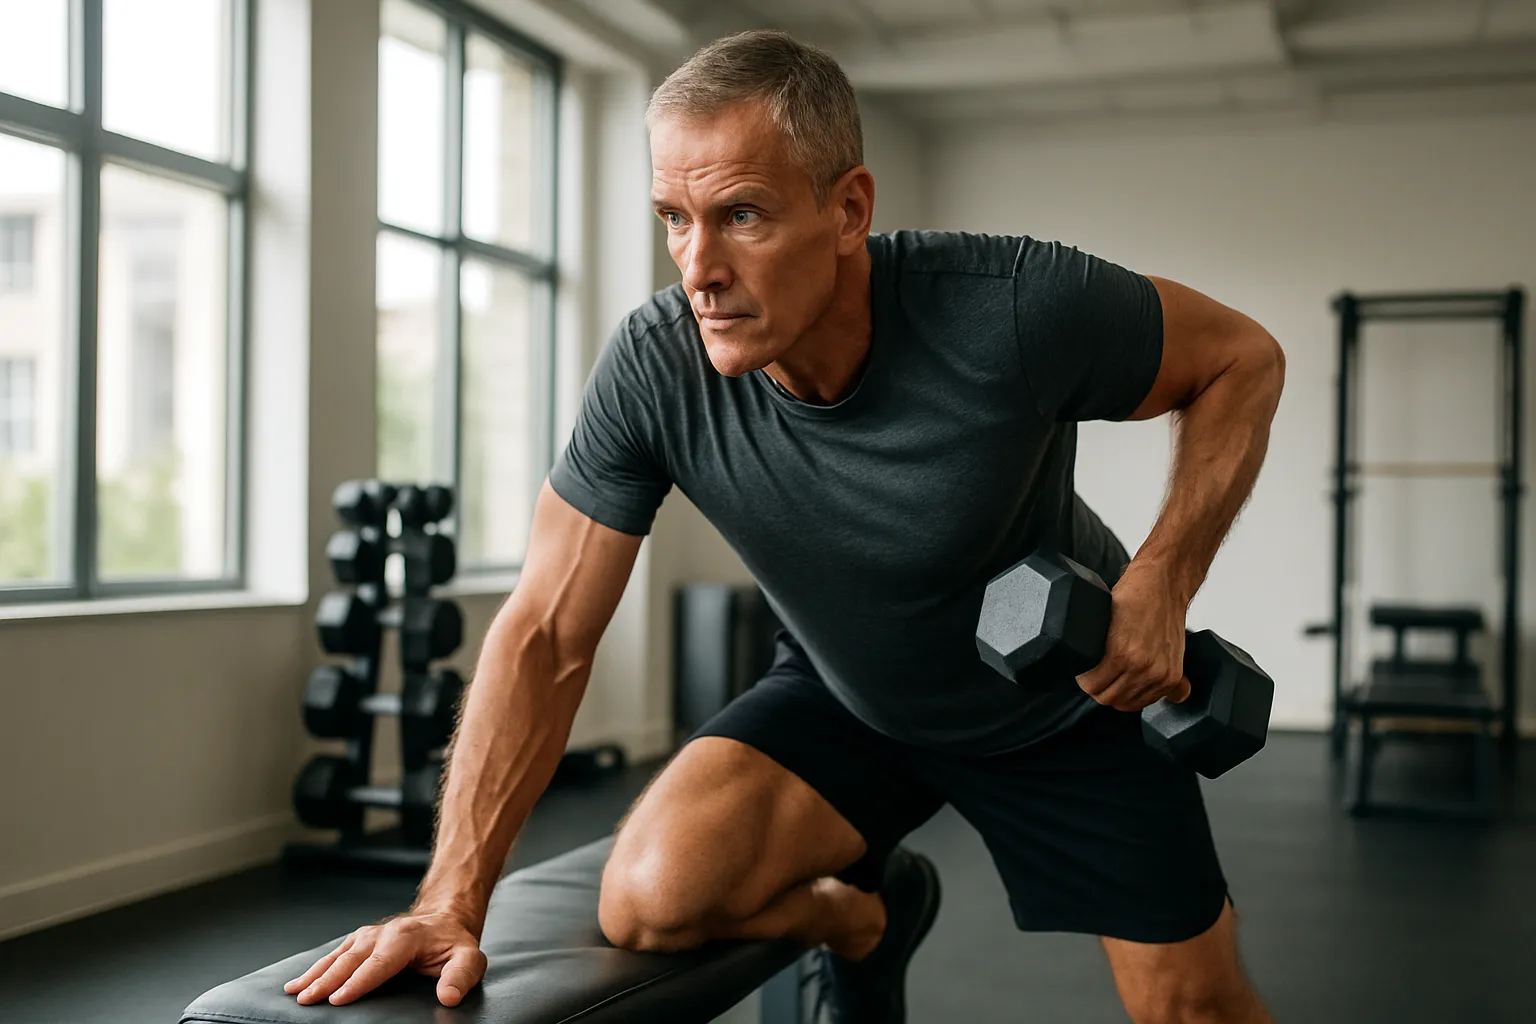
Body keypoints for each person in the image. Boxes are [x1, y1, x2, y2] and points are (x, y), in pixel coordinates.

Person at [285, 28, 1284, 1024]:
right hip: (849, 694)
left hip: (1068, 702)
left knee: (1192, 1012)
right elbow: (546, 631)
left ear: (848, 210)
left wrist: (1162, 581)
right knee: (649, 901)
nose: (699, 267)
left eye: (741, 215)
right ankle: (863, 920)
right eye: (674, 218)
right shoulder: (656, 369)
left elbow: (1240, 359)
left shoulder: (1011, 306)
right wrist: (449, 903)